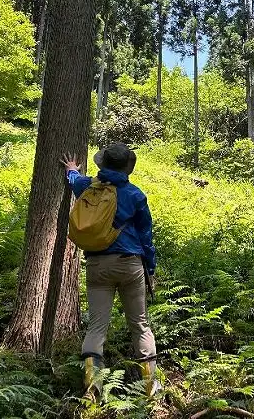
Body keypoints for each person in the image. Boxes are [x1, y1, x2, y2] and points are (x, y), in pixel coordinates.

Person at [61, 143, 161, 400]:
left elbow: (74, 180)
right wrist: (150, 267)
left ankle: (93, 390)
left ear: (103, 164)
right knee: (139, 325)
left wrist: (71, 169)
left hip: (98, 266)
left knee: (96, 327)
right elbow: (146, 237)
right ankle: (152, 390)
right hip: (130, 265)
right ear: (127, 166)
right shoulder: (135, 195)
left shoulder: (88, 188)